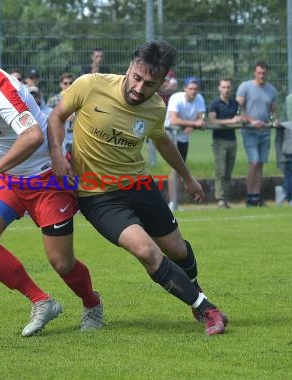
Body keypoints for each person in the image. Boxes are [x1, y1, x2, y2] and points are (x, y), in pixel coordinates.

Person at [48, 40, 228, 336]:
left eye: (150, 84)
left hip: (139, 185)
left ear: (162, 82)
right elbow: (56, 117)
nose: (140, 88)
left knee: (177, 249)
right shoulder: (90, 85)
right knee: (146, 251)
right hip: (98, 195)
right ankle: (209, 311)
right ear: (130, 66)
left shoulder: (156, 108)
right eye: (137, 78)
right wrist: (57, 155)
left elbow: (163, 142)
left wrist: (187, 177)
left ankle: (194, 292)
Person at [0, 24, 103, 336]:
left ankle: (91, 303)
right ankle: (42, 301)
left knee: (62, 264)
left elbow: (31, 135)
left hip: (46, 180)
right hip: (10, 180)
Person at [236, 61, 279, 207]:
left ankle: (257, 196)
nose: (261, 75)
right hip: (250, 131)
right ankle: (250, 196)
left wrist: (276, 121)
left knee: (260, 163)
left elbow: (274, 110)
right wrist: (251, 121)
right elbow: (239, 106)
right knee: (253, 162)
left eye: (264, 73)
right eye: (259, 73)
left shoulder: (271, 90)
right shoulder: (245, 86)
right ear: (254, 72)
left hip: (265, 131)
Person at [165, 76, 206, 210]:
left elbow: (201, 120)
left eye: (195, 89)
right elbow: (173, 120)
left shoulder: (199, 99)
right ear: (185, 89)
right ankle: (173, 202)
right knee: (174, 169)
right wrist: (194, 124)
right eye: (190, 88)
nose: (193, 91)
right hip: (169, 136)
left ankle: (176, 202)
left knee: (181, 169)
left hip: (183, 138)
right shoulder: (176, 98)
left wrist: (193, 126)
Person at [208, 78, 244, 208]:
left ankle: (225, 198)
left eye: (228, 87)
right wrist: (231, 121)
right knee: (221, 170)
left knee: (228, 171)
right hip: (219, 141)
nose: (226, 90)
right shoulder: (214, 103)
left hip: (232, 140)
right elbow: (212, 121)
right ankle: (220, 199)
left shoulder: (235, 103)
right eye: (223, 87)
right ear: (219, 88)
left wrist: (240, 119)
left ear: (231, 88)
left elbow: (240, 118)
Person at [47, 73, 75, 153]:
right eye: (65, 83)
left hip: (75, 137)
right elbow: (48, 118)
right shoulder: (53, 100)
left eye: (71, 83)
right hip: (60, 137)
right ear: (60, 84)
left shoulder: (78, 100)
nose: (68, 85)